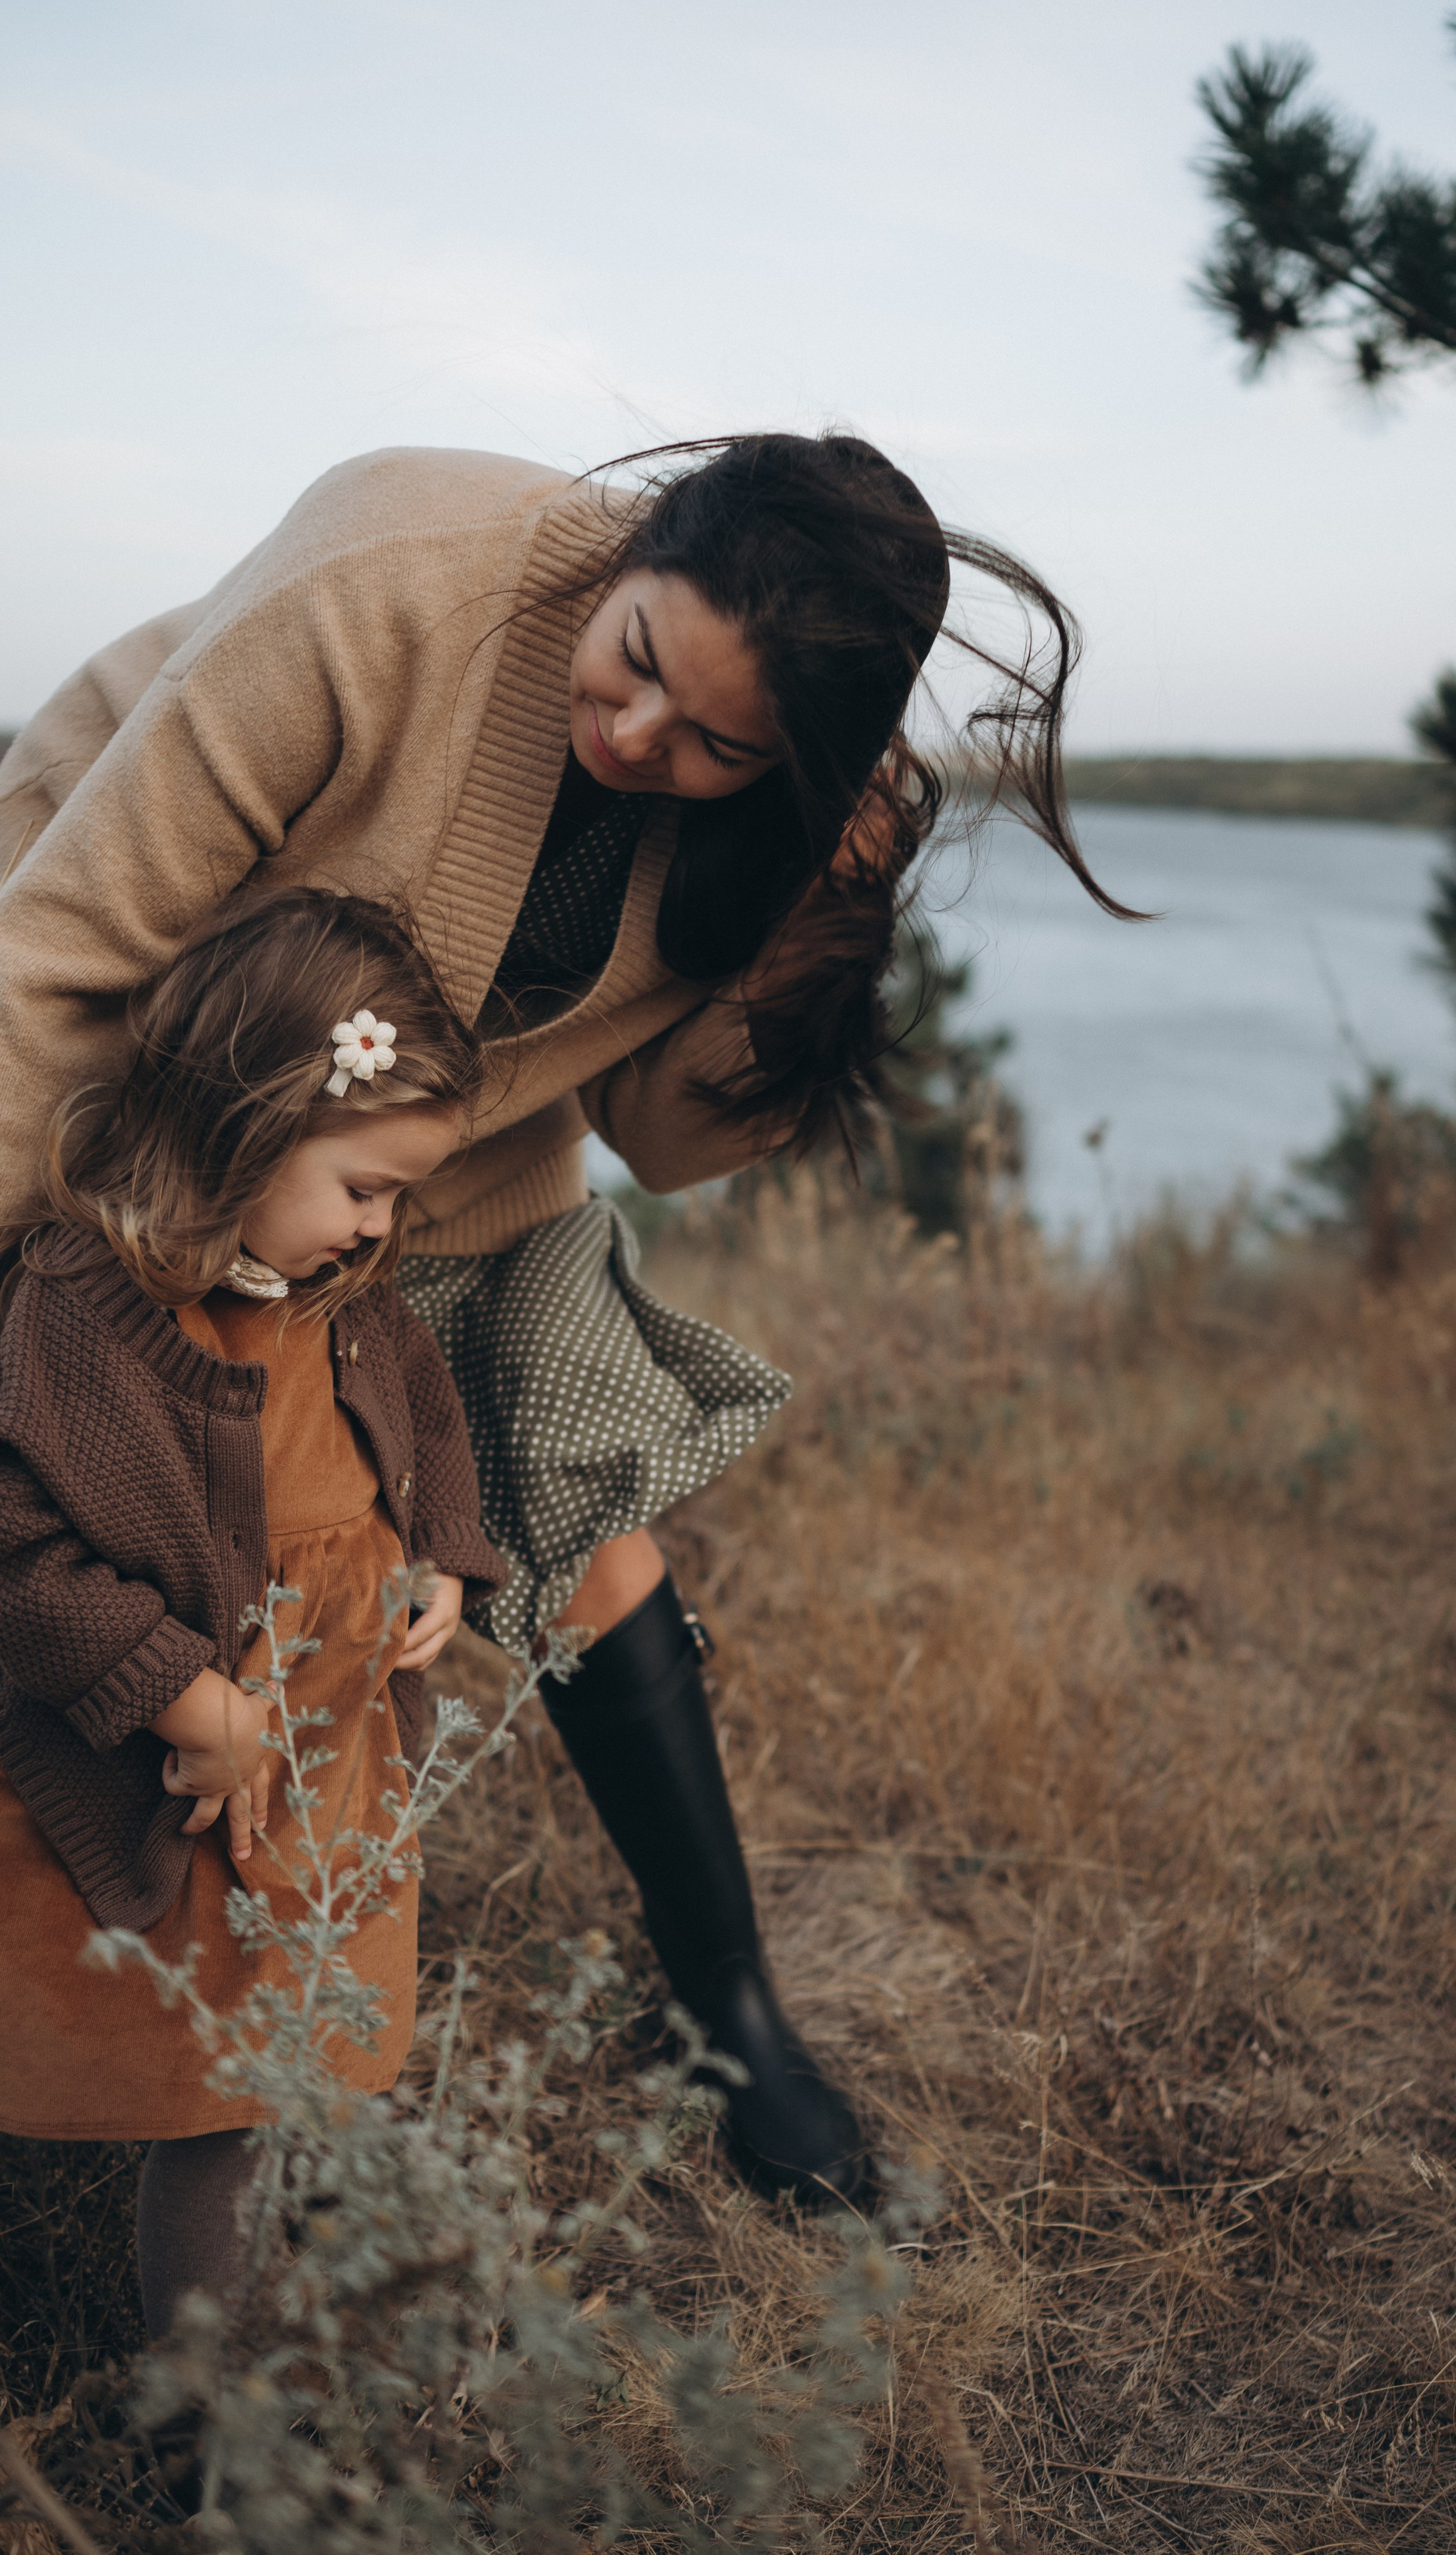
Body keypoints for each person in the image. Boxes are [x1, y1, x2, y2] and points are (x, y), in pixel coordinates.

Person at [0, 431, 1135, 2206]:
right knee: (80, 1488)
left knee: (584, 1498)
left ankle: (730, 2014)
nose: (638, 739)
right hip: (137, 1058)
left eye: (718, 748)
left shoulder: (773, 811)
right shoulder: (389, 574)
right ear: (636, 549)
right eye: (635, 662)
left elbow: (665, 1139)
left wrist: (823, 911)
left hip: (435, 1153)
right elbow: (62, 947)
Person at [0, 888, 506, 2338]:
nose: (381, 1226)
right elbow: (22, 1557)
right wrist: (186, 1697)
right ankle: (187, 2399)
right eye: (364, 1187)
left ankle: (225, 2367)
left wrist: (440, 1557)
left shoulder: (349, 1298)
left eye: (398, 1197)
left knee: (264, 2075)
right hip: (157, 1776)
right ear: (245, 1129)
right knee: (175, 2060)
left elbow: (426, 1424)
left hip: (323, 1768)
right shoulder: (84, 1309)